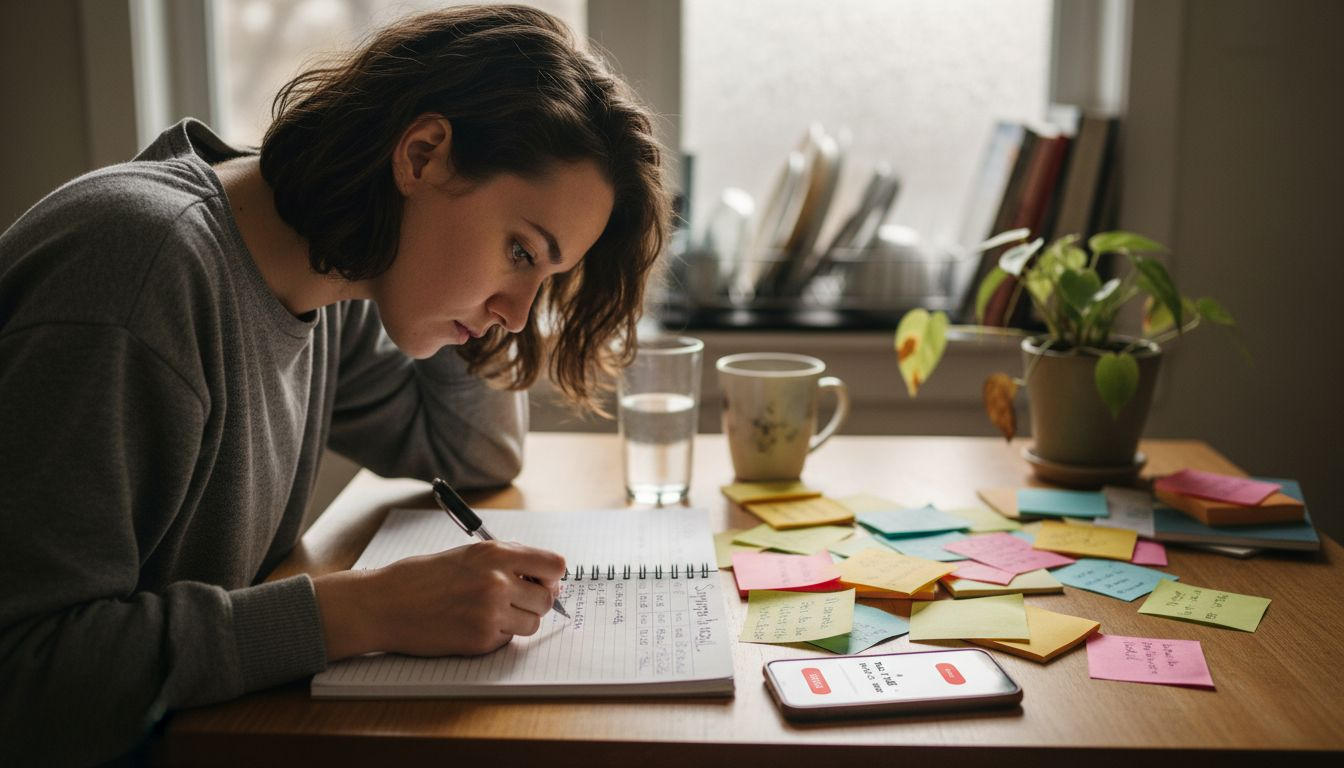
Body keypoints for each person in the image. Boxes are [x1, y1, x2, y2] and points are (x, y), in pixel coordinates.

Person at [0, 5, 667, 765]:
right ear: (421, 155)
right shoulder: (141, 277)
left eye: (546, 278)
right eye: (520, 250)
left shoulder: (329, 277)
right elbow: (23, 678)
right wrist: (363, 611)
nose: (518, 318)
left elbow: (473, 451)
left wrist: (471, 297)